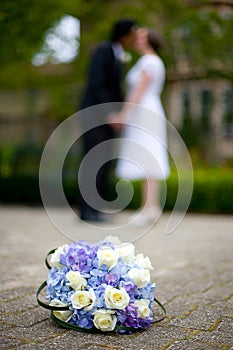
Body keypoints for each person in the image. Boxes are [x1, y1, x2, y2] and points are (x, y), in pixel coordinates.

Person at [109, 28, 170, 226]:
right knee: (149, 156)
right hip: (148, 110)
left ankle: (150, 208)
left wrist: (124, 115)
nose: (137, 39)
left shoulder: (149, 62)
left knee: (148, 155)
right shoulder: (152, 61)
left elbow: (137, 91)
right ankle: (150, 207)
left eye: (141, 37)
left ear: (149, 40)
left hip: (144, 111)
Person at [79, 19, 137, 221]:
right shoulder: (103, 51)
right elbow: (98, 85)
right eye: (133, 33)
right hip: (95, 116)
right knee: (92, 161)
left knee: (104, 161)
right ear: (123, 34)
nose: (135, 38)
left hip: (106, 118)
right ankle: (87, 211)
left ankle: (96, 208)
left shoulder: (116, 53)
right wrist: (109, 113)